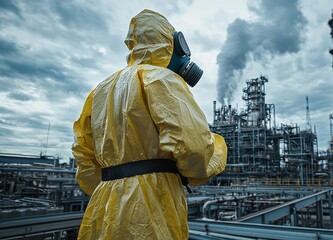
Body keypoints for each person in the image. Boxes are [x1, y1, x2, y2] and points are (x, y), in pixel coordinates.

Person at [72, 9, 227, 239]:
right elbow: (195, 153)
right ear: (169, 43)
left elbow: (84, 161)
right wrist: (219, 148)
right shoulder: (162, 79)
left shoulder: (100, 91)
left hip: (104, 208)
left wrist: (116, 186)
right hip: (154, 207)